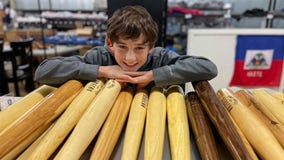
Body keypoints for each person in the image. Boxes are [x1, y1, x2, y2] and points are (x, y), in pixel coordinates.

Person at [34, 5, 218, 91]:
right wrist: (102, 71)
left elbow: (209, 68)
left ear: (151, 47)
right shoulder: (99, 57)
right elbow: (43, 72)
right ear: (109, 44)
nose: (130, 58)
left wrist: (155, 75)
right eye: (122, 47)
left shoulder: (161, 58)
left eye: (139, 48)